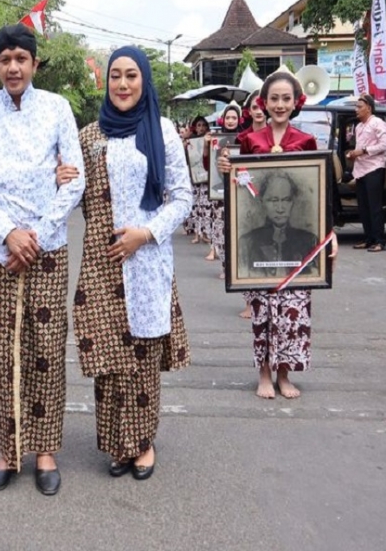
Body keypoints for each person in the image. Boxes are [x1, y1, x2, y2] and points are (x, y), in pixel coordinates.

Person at [0, 23, 85, 496]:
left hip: (47, 249)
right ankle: (8, 451)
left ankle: (46, 451)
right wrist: (8, 234)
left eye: (21, 59)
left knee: (47, 350)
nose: (13, 67)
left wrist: (34, 236)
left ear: (34, 63)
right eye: (5, 59)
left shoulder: (57, 108)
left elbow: (74, 179)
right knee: (3, 353)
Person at [72, 47, 192, 480]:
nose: (122, 84)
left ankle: (142, 442)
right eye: (115, 76)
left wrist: (145, 233)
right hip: (102, 262)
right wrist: (60, 176)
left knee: (142, 357)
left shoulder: (162, 130)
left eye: (131, 75)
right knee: (108, 357)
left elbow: (183, 197)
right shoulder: (90, 136)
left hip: (146, 260)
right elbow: (74, 191)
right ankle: (116, 444)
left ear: (144, 80)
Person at [220, 68, 338, 399]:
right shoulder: (249, 141)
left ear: (296, 101)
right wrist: (225, 168)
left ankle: (284, 374)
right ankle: (263, 373)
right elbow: (240, 187)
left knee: (293, 312)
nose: (280, 104)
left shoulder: (306, 141)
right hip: (259, 241)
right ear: (264, 102)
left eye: (286, 98)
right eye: (274, 98)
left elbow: (321, 192)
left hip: (298, 248)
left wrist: (329, 233)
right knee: (262, 311)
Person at [238, 171, 319, 277]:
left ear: (293, 202)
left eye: (286, 200)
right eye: (273, 200)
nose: (280, 209)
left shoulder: (309, 241)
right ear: (262, 202)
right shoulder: (247, 243)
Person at [346, 94, 386, 252]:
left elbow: (384, 145)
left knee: (374, 206)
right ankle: (369, 238)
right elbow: (359, 148)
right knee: (363, 207)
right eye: (356, 107)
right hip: (360, 170)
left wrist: (364, 150)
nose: (356, 110)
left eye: (359, 107)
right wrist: (353, 154)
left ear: (369, 108)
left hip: (374, 168)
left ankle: (379, 240)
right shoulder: (358, 127)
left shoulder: (378, 123)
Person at [236, 90, 265, 320]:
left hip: (272, 201)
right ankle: (250, 302)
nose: (259, 111)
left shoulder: (279, 136)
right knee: (249, 250)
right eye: (255, 107)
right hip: (246, 199)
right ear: (249, 111)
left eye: (261, 106)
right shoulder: (242, 139)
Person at [204, 103, 241, 272]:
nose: (231, 121)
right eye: (228, 117)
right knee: (221, 231)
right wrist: (206, 146)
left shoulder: (245, 138)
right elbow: (207, 166)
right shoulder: (216, 140)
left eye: (234, 117)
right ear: (223, 119)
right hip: (219, 195)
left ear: (239, 119)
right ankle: (226, 266)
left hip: (240, 191)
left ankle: (236, 267)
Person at [182, 116, 211, 245]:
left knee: (206, 207)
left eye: (203, 125)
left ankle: (205, 233)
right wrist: (185, 146)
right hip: (194, 178)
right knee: (196, 206)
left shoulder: (210, 139)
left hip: (207, 179)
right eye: (199, 125)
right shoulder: (191, 141)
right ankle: (197, 233)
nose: (201, 128)